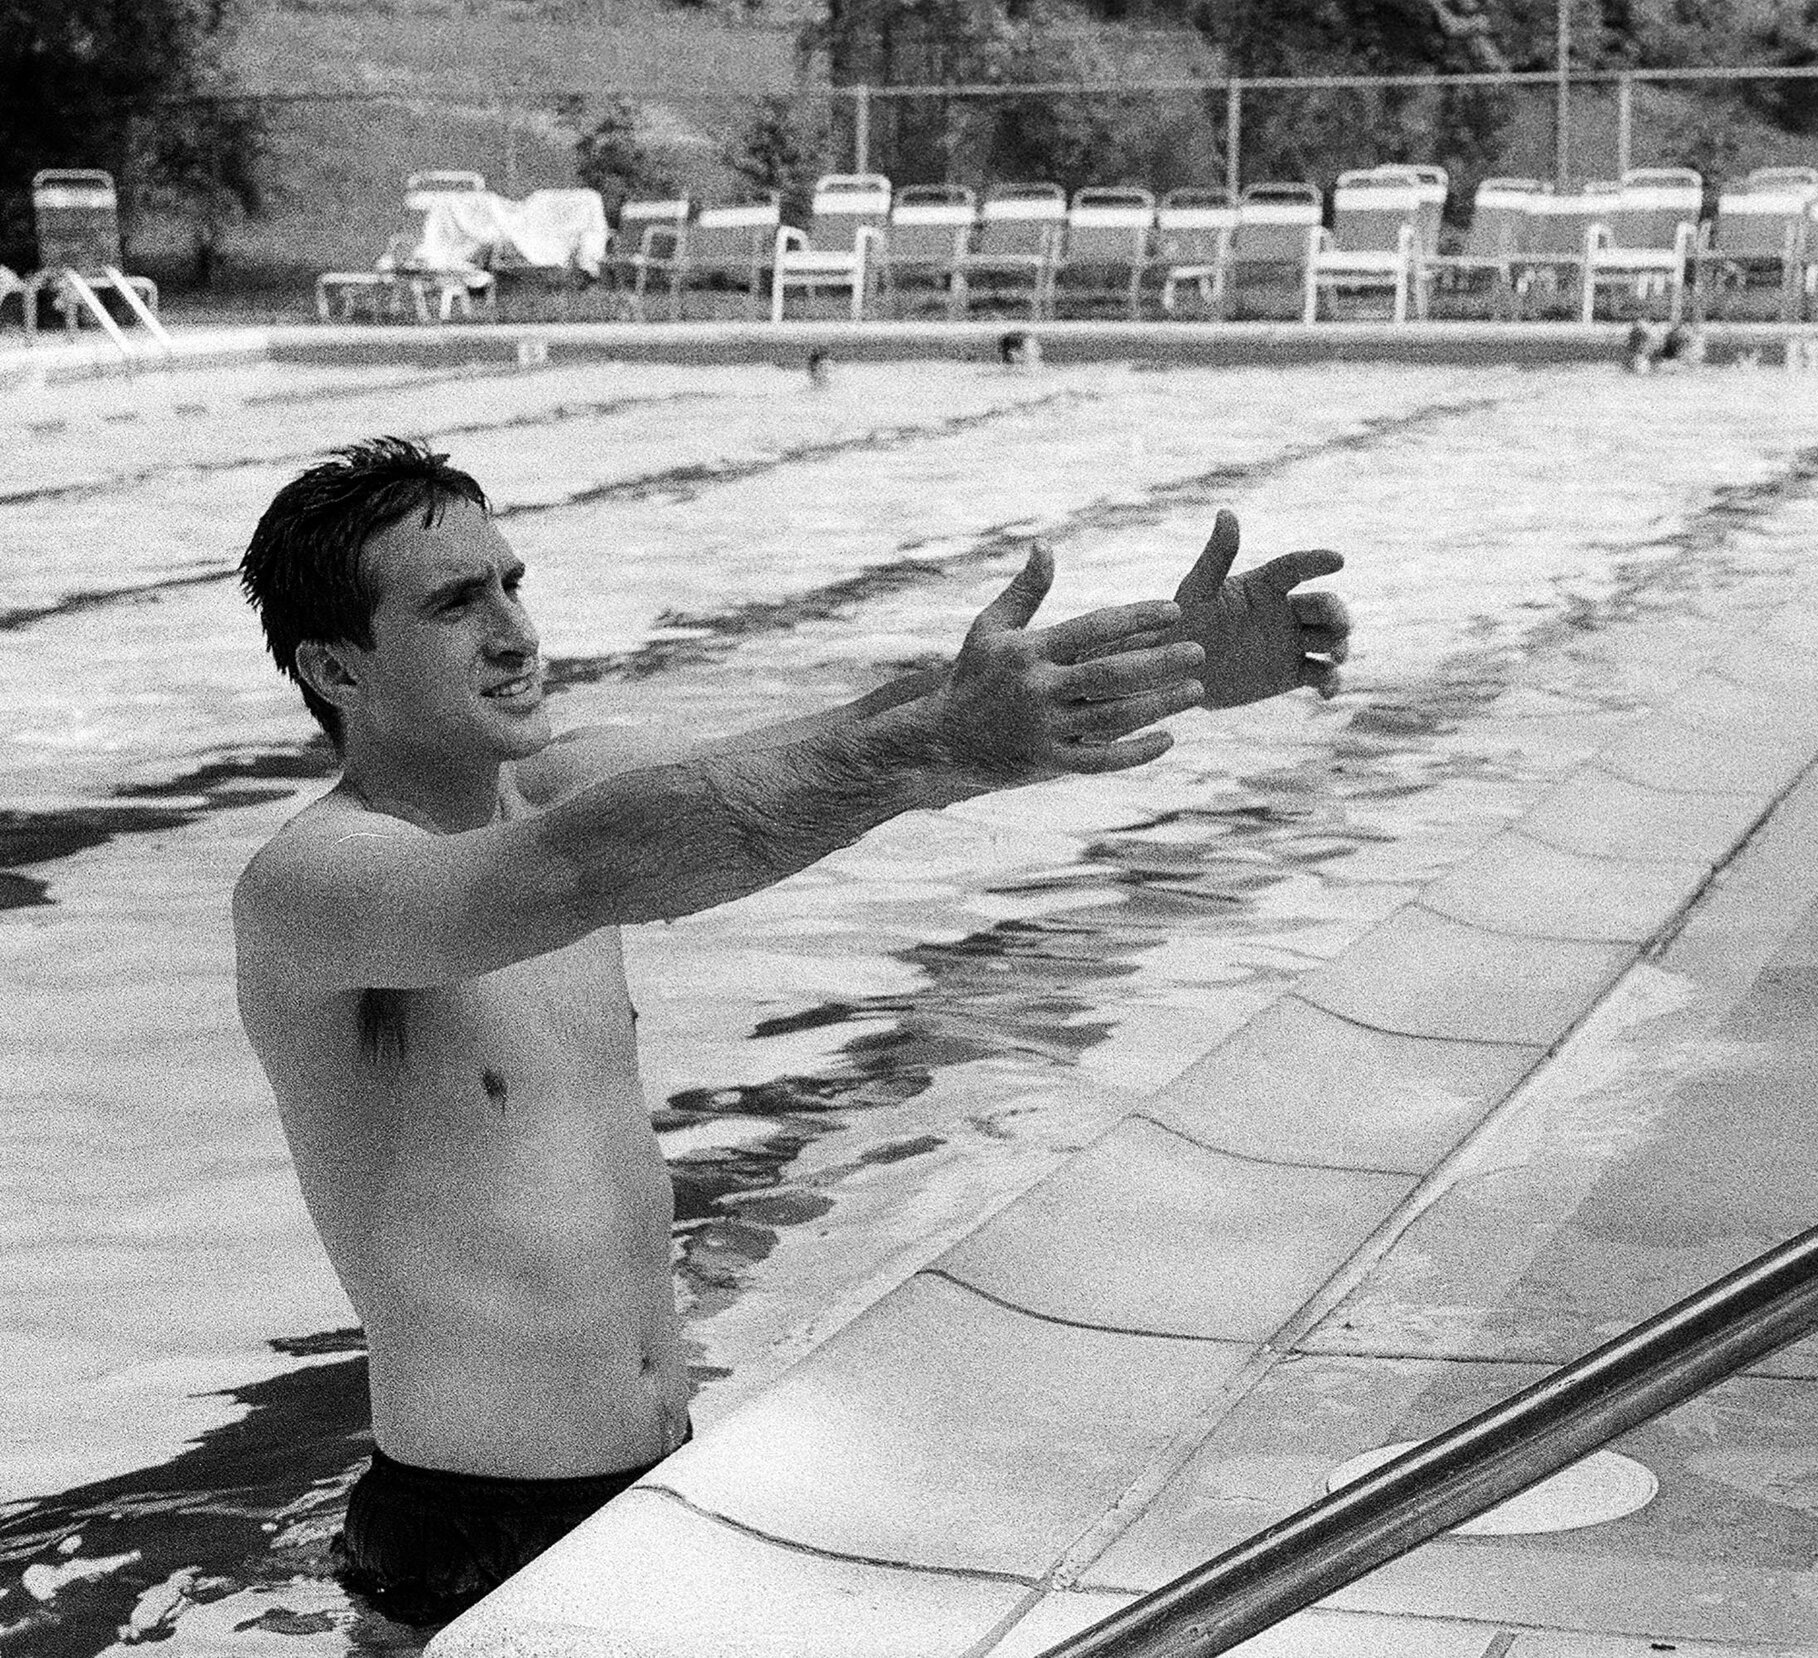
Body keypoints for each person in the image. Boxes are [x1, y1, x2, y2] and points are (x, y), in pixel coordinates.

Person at [230, 436, 1353, 1626]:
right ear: (337, 667)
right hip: (465, 1534)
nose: (515, 632)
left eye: (512, 584)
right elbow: (595, 865)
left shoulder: (558, 786)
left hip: (654, 1479)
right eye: (456, 603)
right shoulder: (314, 886)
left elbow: (848, 736)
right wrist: (936, 743)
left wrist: (1168, 669)